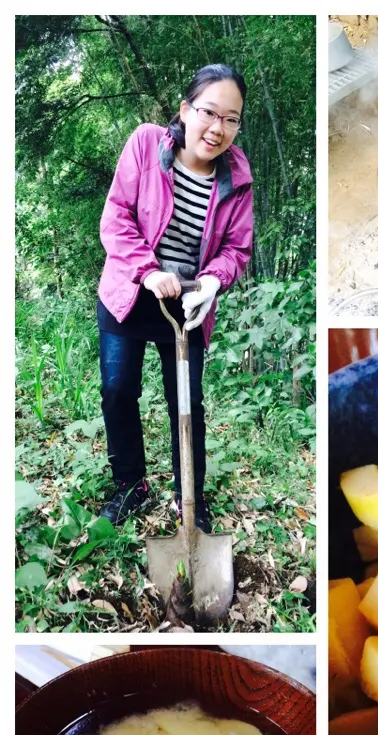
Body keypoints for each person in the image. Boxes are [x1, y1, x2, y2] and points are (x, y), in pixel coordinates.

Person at [96, 64, 253, 533]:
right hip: (130, 292)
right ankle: (131, 484)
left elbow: (237, 248)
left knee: (186, 402)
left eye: (231, 118)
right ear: (186, 110)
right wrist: (148, 271)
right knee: (118, 390)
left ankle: (191, 496)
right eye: (209, 112)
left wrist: (211, 283)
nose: (217, 128)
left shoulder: (238, 176)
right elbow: (117, 218)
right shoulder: (146, 144)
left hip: (187, 305)